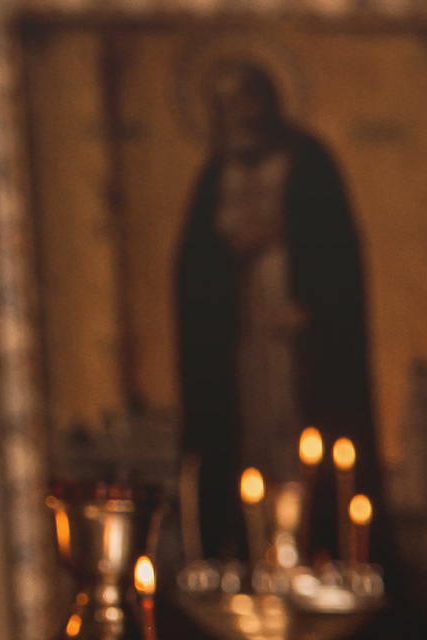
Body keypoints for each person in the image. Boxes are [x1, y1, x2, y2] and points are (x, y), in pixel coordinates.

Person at [174, 55, 379, 559]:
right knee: (248, 440)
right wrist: (226, 254)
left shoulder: (308, 162)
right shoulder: (213, 176)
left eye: (243, 98)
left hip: (298, 341)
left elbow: (339, 254)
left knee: (303, 435)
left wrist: (309, 302)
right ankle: (247, 546)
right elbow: (191, 269)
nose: (236, 113)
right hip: (241, 337)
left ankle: (318, 545)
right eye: (222, 105)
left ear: (267, 100)